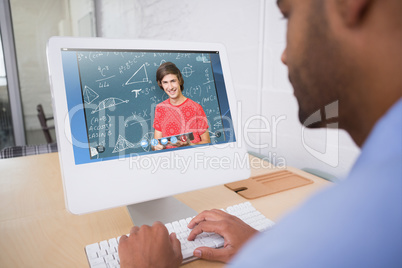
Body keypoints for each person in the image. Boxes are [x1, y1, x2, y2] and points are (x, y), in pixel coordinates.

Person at [118, 0, 402, 267]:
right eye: (164, 82)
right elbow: (158, 143)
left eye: (287, 13)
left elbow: (200, 141)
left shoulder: (350, 228)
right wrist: (261, 243)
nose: (283, 56)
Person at [152, 62, 210, 150]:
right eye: (165, 82)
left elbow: (207, 142)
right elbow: (155, 143)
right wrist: (156, 146)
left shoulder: (196, 108)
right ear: (161, 84)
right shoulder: (160, 108)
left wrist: (189, 145)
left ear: (179, 80)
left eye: (173, 81)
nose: (170, 87)